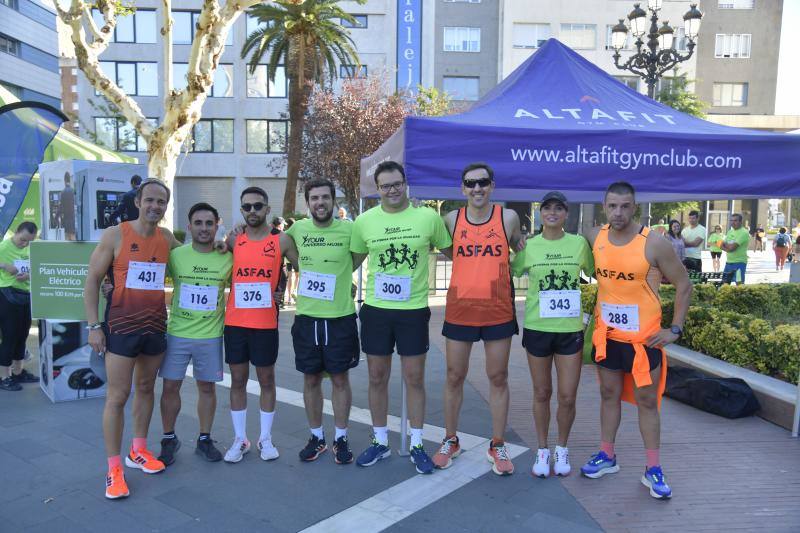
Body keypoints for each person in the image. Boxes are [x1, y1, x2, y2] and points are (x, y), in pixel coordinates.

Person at [579, 181, 691, 500]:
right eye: (612, 205)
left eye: (625, 206)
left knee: (646, 402)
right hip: (609, 337)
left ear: (635, 208)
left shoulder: (654, 243)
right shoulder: (593, 236)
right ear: (604, 206)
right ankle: (607, 455)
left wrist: (675, 329)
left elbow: (684, 285)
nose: (618, 212)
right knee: (608, 395)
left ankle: (653, 469)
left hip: (645, 342)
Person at [350, 161, 453, 474]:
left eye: (396, 184)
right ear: (377, 189)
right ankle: (380, 441)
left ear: (405, 183)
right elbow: (350, 262)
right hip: (377, 311)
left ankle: (419, 443)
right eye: (385, 186)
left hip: (412, 312)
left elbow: (457, 253)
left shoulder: (427, 218)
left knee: (414, 379)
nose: (392, 190)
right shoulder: (364, 222)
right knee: (377, 377)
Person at [84, 179, 183, 500]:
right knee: (117, 396)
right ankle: (114, 469)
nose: (156, 206)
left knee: (145, 389)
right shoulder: (115, 235)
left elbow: (197, 260)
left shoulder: (167, 238)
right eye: (150, 200)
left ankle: (138, 450)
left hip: (154, 327)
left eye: (161, 202)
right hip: (122, 327)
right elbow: (92, 281)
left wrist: (226, 245)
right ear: (138, 201)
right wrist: (93, 326)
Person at [433, 162, 522, 476]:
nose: (477, 189)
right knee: (454, 375)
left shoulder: (508, 218)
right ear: (463, 188)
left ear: (492, 185)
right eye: (470, 184)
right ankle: (450, 439)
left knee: (498, 377)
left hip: (498, 310)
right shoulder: (451, 219)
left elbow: (521, 251)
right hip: (460, 310)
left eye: (483, 182)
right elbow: (449, 253)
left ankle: (497, 444)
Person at [511, 193, 593, 478]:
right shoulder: (529, 246)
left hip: (569, 330)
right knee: (542, 392)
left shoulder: (579, 244)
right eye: (547, 208)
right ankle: (542, 448)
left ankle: (562, 448)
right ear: (540, 213)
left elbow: (597, 271)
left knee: (568, 396)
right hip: (537, 328)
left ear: (566, 213)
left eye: (559, 208)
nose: (553, 213)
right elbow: (509, 269)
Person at [283, 179, 359, 464]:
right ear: (308, 203)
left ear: (333, 200)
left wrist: (338, 277)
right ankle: (317, 437)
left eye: (325, 197)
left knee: (340, 379)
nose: (320, 203)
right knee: (311, 378)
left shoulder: (350, 229)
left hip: (340, 318)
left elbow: (356, 259)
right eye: (314, 198)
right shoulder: (298, 229)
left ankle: (340, 438)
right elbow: (277, 243)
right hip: (307, 319)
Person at [222, 188, 295, 464]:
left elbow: (299, 265)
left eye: (257, 206)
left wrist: (281, 289)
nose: (252, 211)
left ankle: (265, 438)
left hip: (265, 323)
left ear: (267, 208)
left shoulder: (282, 241)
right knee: (238, 380)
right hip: (236, 323)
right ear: (241, 210)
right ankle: (240, 438)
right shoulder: (233, 239)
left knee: (266, 380)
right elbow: (215, 251)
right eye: (247, 207)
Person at [157, 203, 233, 465]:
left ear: (217, 225)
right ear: (189, 227)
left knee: (207, 388)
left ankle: (204, 438)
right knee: (170, 387)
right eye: (198, 223)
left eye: (209, 223)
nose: (204, 228)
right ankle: (168, 438)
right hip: (177, 333)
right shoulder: (176, 255)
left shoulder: (228, 256)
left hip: (211, 336)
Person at [0, 222, 39, 391]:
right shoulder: (4, 246)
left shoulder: (31, 249)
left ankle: (18, 372)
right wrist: (3, 265)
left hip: (26, 296)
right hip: (7, 295)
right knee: (9, 337)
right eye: (22, 240)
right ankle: (4, 377)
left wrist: (28, 275)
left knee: (22, 336)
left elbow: (36, 268)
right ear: (16, 233)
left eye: (28, 242)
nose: (24, 244)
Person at [721, 214, 750, 283]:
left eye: (735, 220)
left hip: (739, 263)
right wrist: (728, 248)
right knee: (724, 285)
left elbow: (731, 247)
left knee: (739, 286)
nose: (733, 222)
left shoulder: (744, 233)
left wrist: (727, 247)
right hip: (728, 263)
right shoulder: (730, 232)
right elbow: (721, 245)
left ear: (740, 222)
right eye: (731, 220)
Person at [271, 216, 288, 309]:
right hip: (278, 265)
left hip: (281, 264)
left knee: (282, 281)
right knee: (281, 282)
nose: (283, 227)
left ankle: (279, 301)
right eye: (282, 225)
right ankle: (278, 301)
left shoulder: (282, 234)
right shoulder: (278, 235)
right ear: (279, 225)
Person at [283, 218, 298, 306]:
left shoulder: (286, 233)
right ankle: (293, 293)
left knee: (290, 276)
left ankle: (289, 297)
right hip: (296, 257)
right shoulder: (296, 232)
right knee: (296, 276)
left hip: (288, 258)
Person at [59, 171, 76, 240]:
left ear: (64, 180)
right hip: (73, 219)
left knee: (67, 238)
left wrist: (56, 217)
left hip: (66, 219)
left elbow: (60, 207)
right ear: (69, 179)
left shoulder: (63, 192)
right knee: (73, 237)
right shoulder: (73, 191)